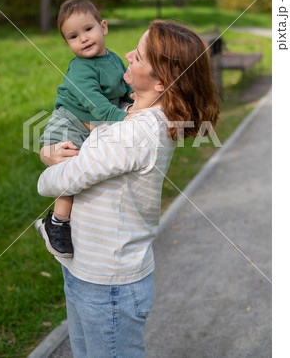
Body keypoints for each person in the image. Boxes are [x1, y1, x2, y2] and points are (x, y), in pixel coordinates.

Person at [37, 20, 221, 358]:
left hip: (107, 284)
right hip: (85, 269)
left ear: (162, 80)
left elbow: (57, 182)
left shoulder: (137, 133)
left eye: (137, 56)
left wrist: (46, 159)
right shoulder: (131, 113)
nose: (126, 56)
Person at [35, 0, 134, 258]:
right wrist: (124, 118)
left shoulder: (111, 58)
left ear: (104, 27)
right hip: (68, 124)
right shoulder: (80, 69)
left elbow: (125, 86)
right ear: (67, 43)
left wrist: (135, 98)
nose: (83, 39)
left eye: (88, 29)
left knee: (83, 174)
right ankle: (56, 223)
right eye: (73, 36)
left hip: (87, 124)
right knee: (71, 171)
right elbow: (98, 106)